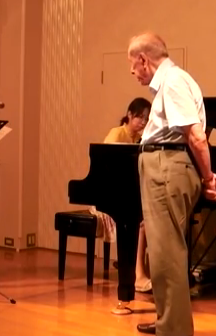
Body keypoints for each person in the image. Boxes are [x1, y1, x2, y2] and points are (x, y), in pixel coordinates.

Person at [127, 33, 216, 335]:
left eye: (133, 65)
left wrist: (208, 177)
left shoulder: (172, 82)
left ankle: (176, 330)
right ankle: (167, 320)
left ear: (144, 60)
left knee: (167, 254)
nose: (132, 72)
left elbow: (196, 135)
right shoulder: (172, 83)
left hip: (166, 168)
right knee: (161, 253)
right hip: (163, 166)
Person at [89, 97, 152, 300]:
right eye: (140, 117)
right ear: (130, 115)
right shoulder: (117, 134)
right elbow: (105, 170)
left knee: (147, 217)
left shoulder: (138, 140)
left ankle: (135, 267)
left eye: (146, 119)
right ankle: (137, 274)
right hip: (106, 196)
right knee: (140, 222)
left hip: (124, 196)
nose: (143, 122)